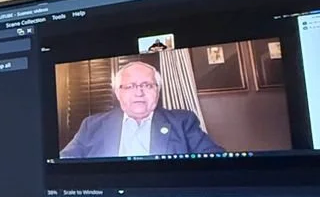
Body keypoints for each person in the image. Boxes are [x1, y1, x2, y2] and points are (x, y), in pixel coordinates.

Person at [60, 59, 222, 158]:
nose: (139, 92)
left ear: (157, 91)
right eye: (130, 86)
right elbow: (63, 164)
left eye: (147, 85)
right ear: (118, 92)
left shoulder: (182, 122)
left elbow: (215, 160)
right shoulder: (92, 125)